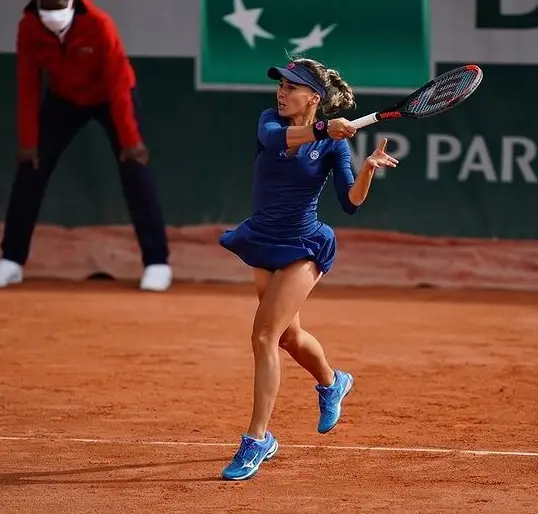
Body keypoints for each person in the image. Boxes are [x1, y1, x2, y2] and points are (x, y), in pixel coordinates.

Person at [217, 57, 400, 481]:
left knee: (263, 335)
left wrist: (367, 169)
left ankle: (257, 439)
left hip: (304, 245)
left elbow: (351, 203)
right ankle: (333, 381)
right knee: (289, 337)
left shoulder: (335, 145)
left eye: (290, 86)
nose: (281, 92)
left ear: (313, 97)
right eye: (280, 85)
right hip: (263, 240)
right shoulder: (269, 122)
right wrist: (323, 128)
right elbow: (280, 139)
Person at [0, 0, 172, 292]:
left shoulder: (99, 24)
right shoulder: (28, 26)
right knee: (31, 167)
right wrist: (28, 142)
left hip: (111, 96)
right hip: (64, 99)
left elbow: (118, 84)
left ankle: (157, 262)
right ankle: (11, 260)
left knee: (134, 167)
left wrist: (130, 140)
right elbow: (27, 82)